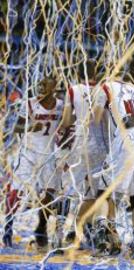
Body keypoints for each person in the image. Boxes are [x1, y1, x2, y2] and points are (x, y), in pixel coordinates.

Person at [95, 55, 134, 260]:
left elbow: (96, 118)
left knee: (105, 188)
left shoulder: (107, 87)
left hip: (126, 138)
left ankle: (101, 229)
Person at [61, 60, 118, 254]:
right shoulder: (105, 89)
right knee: (101, 191)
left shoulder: (73, 90)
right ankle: (105, 231)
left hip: (80, 144)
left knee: (76, 191)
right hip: (101, 145)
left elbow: (67, 121)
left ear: (77, 74)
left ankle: (70, 232)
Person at [3, 76, 64, 250]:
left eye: (46, 84)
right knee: (17, 191)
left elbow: (67, 125)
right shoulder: (28, 104)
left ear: (54, 87)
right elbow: (16, 128)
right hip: (28, 154)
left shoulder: (61, 106)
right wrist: (30, 127)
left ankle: (41, 228)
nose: (42, 87)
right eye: (40, 84)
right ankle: (8, 228)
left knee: (50, 194)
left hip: (49, 154)